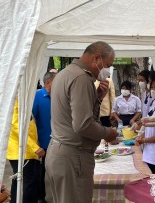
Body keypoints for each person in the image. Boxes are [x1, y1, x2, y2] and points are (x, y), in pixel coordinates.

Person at [45, 41, 118, 203]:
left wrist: (97, 98)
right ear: (97, 58)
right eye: (108, 65)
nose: (107, 72)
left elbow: (72, 113)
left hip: (59, 151)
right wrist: (108, 133)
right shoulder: (81, 78)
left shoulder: (65, 74)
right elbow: (83, 125)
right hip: (73, 156)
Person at [7, 99, 45, 203]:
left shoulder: (19, 98)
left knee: (18, 181)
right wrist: (35, 147)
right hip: (23, 151)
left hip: (22, 150)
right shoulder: (16, 100)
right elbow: (16, 127)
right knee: (29, 184)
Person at [32, 71, 56, 203]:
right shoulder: (37, 96)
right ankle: (41, 198)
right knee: (41, 174)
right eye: (56, 82)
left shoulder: (58, 96)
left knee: (53, 173)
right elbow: (32, 121)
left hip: (57, 142)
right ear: (47, 83)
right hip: (43, 143)